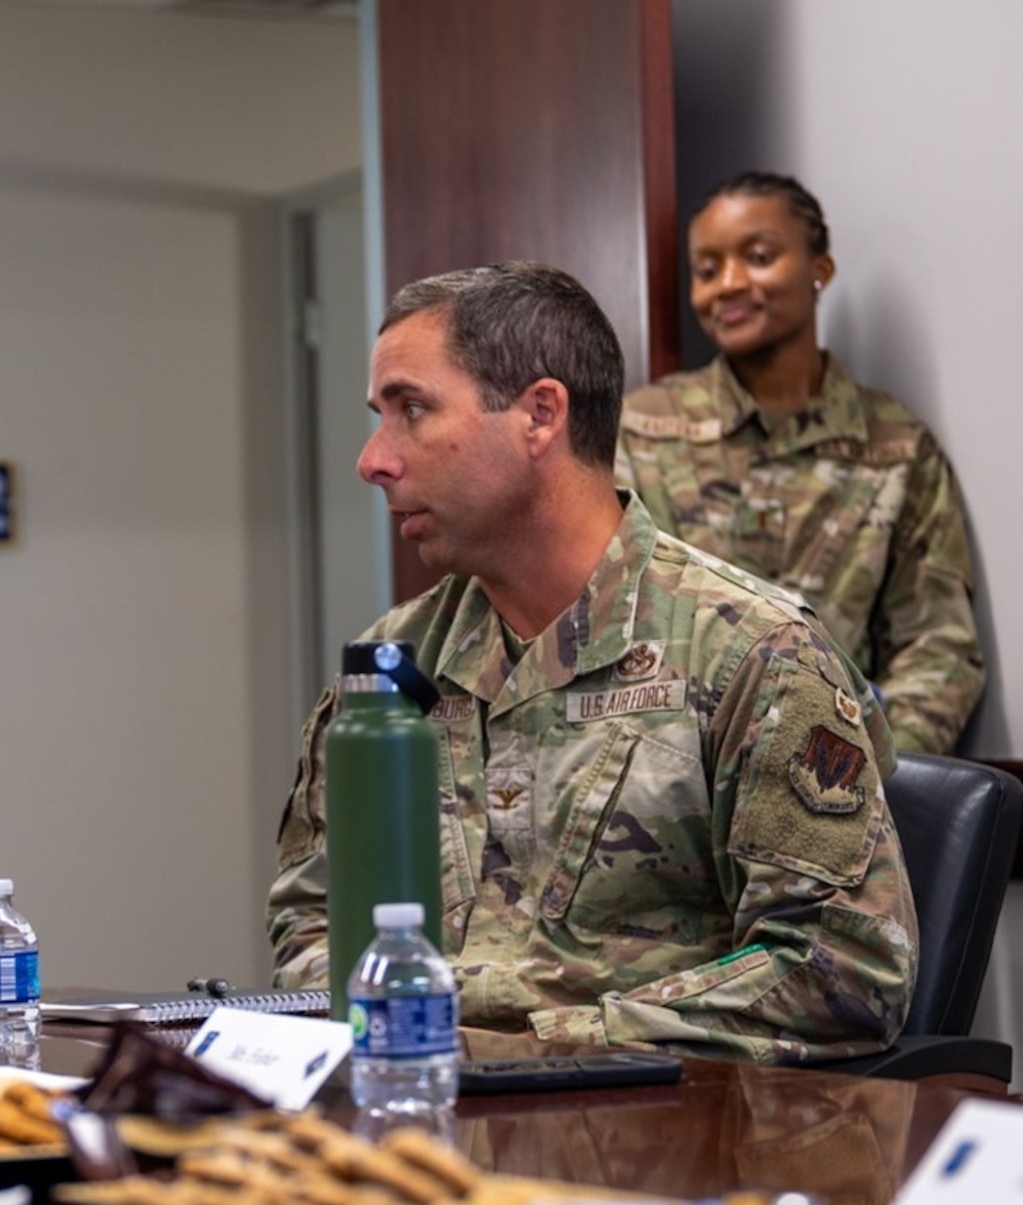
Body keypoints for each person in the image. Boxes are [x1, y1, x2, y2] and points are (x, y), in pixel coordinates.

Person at [266, 262, 916, 1063]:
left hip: (662, 1143)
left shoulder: (752, 652)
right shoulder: (393, 670)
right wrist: (388, 1032)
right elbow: (313, 912)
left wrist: (536, 1047)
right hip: (419, 1118)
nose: (373, 460)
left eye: (412, 410)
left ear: (540, 415)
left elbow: (842, 972)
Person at [618, 171, 983, 755]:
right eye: (707, 270)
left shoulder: (894, 444)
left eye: (758, 257)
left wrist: (870, 771)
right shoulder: (639, 430)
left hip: (842, 783)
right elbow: (606, 618)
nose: (728, 285)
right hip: (671, 786)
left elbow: (938, 650)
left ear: (820, 270)